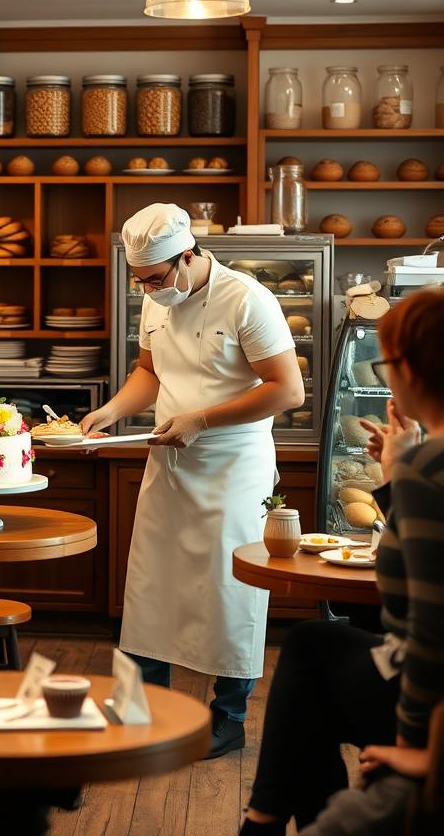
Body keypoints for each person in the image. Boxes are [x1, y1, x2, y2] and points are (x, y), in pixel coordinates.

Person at [80, 203, 305, 758]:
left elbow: (287, 389)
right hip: (169, 457)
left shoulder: (248, 298)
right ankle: (144, 710)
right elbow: (149, 372)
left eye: (154, 279)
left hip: (233, 464)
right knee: (150, 583)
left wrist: (202, 420)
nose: (148, 291)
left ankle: (226, 719)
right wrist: (110, 413)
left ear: (188, 256)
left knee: (229, 593)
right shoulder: (157, 300)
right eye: (140, 282)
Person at [240, 287, 444, 835]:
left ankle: (267, 823)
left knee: (310, 662)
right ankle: (284, 822)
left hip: (428, 702)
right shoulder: (424, 461)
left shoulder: (429, 466)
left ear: (412, 369)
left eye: (387, 362)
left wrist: (419, 750)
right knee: (316, 651)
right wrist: (401, 474)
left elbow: (431, 630)